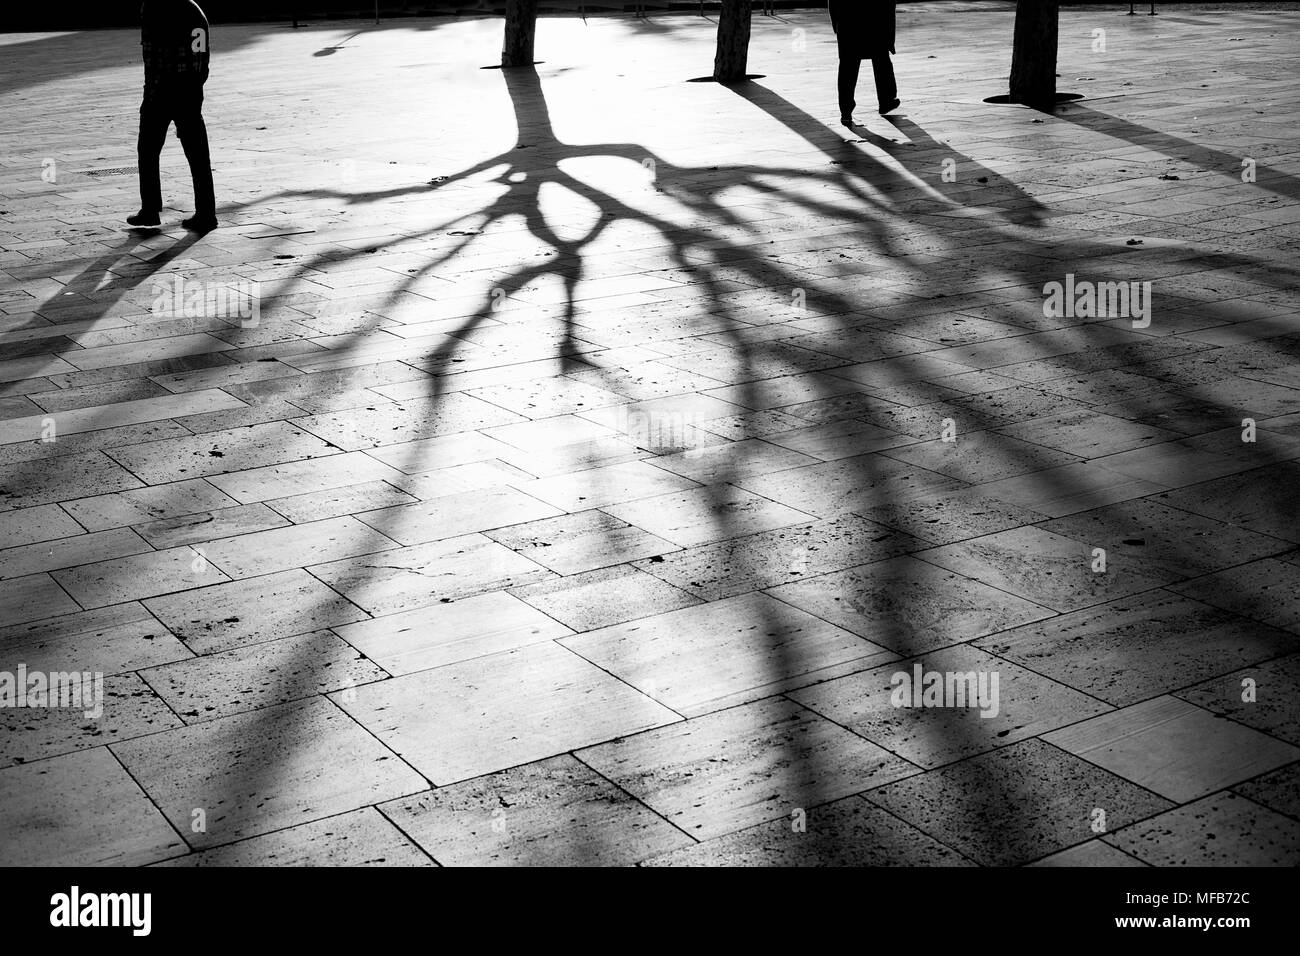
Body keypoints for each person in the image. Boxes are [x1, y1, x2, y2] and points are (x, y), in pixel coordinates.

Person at [127, 0, 217, 232]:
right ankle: (202, 213)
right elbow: (201, 57)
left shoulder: (163, 9)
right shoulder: (188, 10)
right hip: (177, 93)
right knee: (193, 157)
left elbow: (194, 56)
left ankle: (153, 210)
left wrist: (185, 90)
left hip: (170, 93)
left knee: (151, 152)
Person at [829, 0, 900, 128]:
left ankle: (846, 110)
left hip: (847, 23)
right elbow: (888, 5)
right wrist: (890, 37)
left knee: (848, 66)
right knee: (881, 61)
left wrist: (837, 25)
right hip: (874, 22)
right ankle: (886, 100)